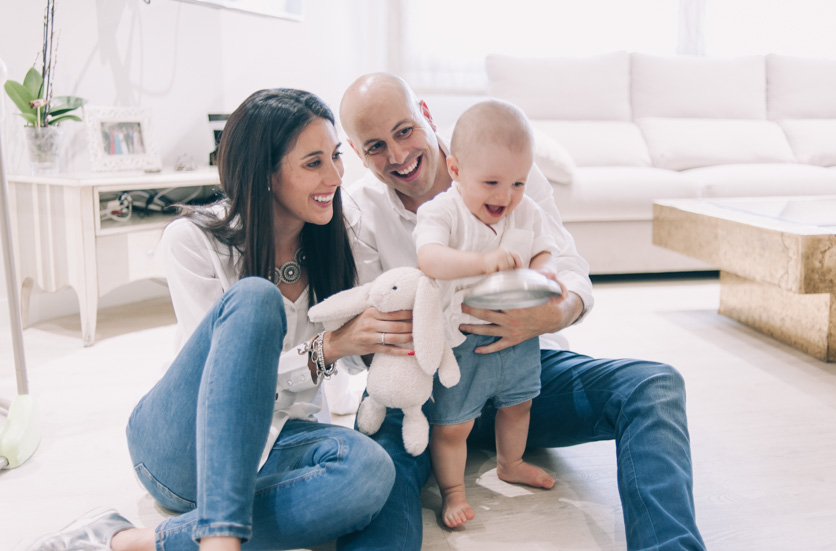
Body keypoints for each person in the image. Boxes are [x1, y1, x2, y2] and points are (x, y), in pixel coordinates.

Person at [26, 89, 408, 551]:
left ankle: (133, 540)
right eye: (313, 163)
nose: (334, 176)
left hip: (280, 443)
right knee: (255, 299)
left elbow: (352, 365)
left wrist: (375, 333)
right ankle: (219, 542)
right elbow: (228, 380)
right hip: (185, 447)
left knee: (370, 471)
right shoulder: (191, 240)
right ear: (264, 174)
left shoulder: (340, 235)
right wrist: (326, 348)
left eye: (336, 156)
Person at [338, 73, 706, 551]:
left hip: (526, 376)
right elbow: (360, 332)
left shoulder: (507, 165)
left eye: (405, 130)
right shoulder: (358, 214)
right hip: (427, 391)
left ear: (426, 114)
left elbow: (567, 266)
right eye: (375, 147)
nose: (398, 156)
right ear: (355, 151)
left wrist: (555, 313)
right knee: (377, 474)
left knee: (654, 386)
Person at [414, 100, 560, 528]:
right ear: (455, 170)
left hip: (518, 332)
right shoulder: (442, 210)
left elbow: (545, 250)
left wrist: (545, 275)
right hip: (462, 340)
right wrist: (480, 263)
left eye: (518, 182)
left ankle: (510, 463)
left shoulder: (526, 209)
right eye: (492, 182)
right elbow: (430, 258)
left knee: (519, 406)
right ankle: (453, 491)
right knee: (453, 424)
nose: (506, 196)